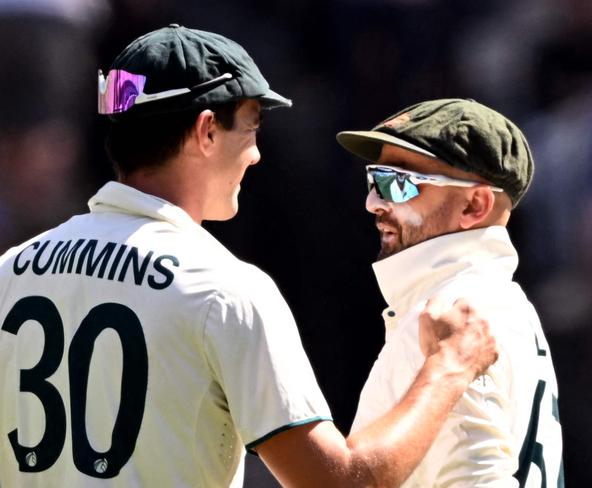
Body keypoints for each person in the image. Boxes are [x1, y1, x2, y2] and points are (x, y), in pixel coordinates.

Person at [0, 26, 497, 488]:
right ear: (206, 131)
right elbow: (340, 481)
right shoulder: (224, 290)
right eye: (252, 128)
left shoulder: (10, 270)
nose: (257, 154)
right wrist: (449, 366)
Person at [337, 98, 564, 487]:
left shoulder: (450, 316)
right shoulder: (509, 306)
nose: (373, 202)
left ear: (475, 205)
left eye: (399, 182)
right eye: (375, 179)